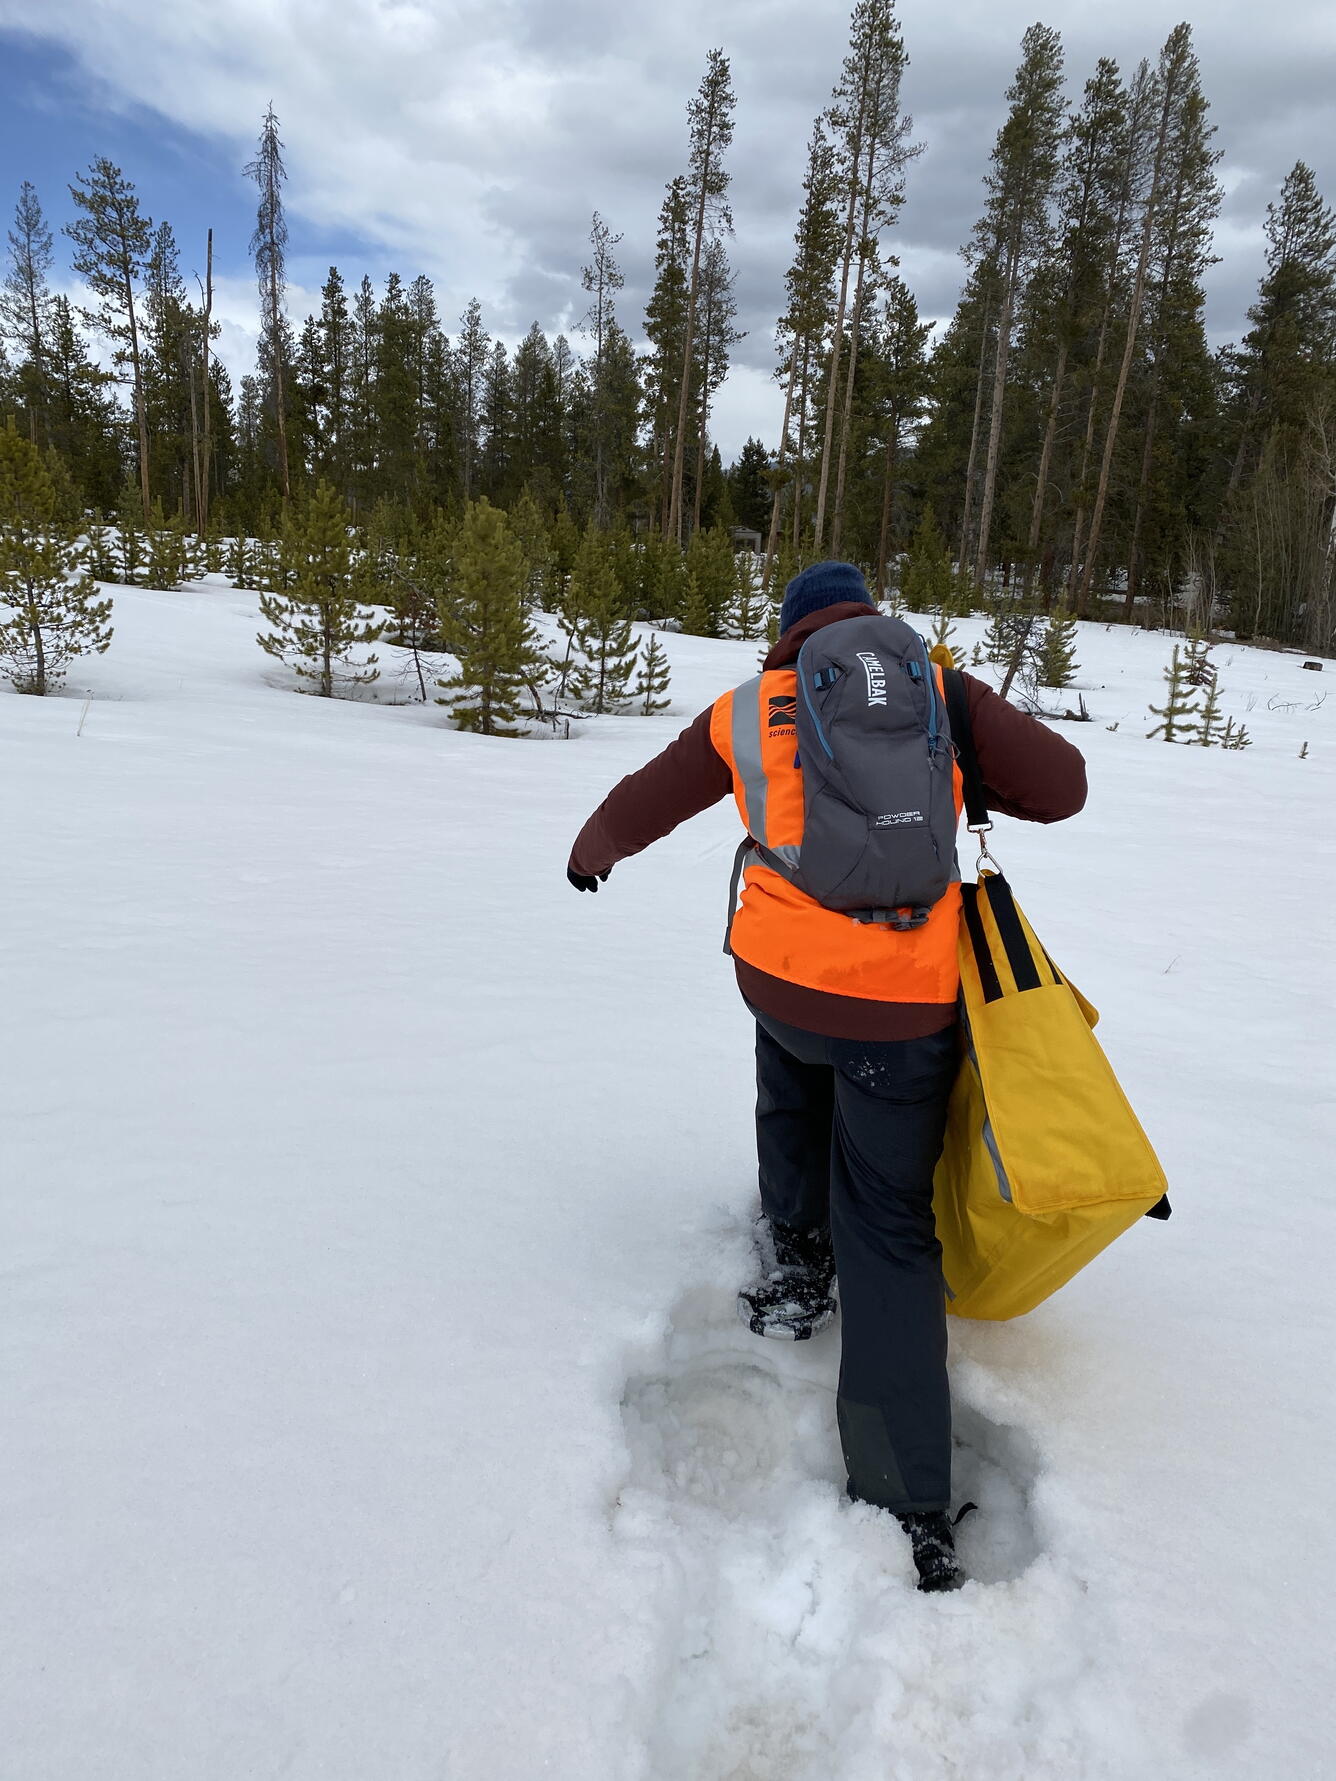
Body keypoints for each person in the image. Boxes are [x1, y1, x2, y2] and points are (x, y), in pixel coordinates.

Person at [566, 560, 1086, 1590]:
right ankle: (905, 1504)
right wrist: (958, 738)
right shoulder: (936, 690)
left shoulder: (749, 706)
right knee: (891, 1227)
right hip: (903, 1007)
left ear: (789, 631)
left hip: (778, 981)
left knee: (789, 1087)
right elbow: (1062, 787)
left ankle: (797, 1262)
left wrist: (593, 848)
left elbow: (646, 799)